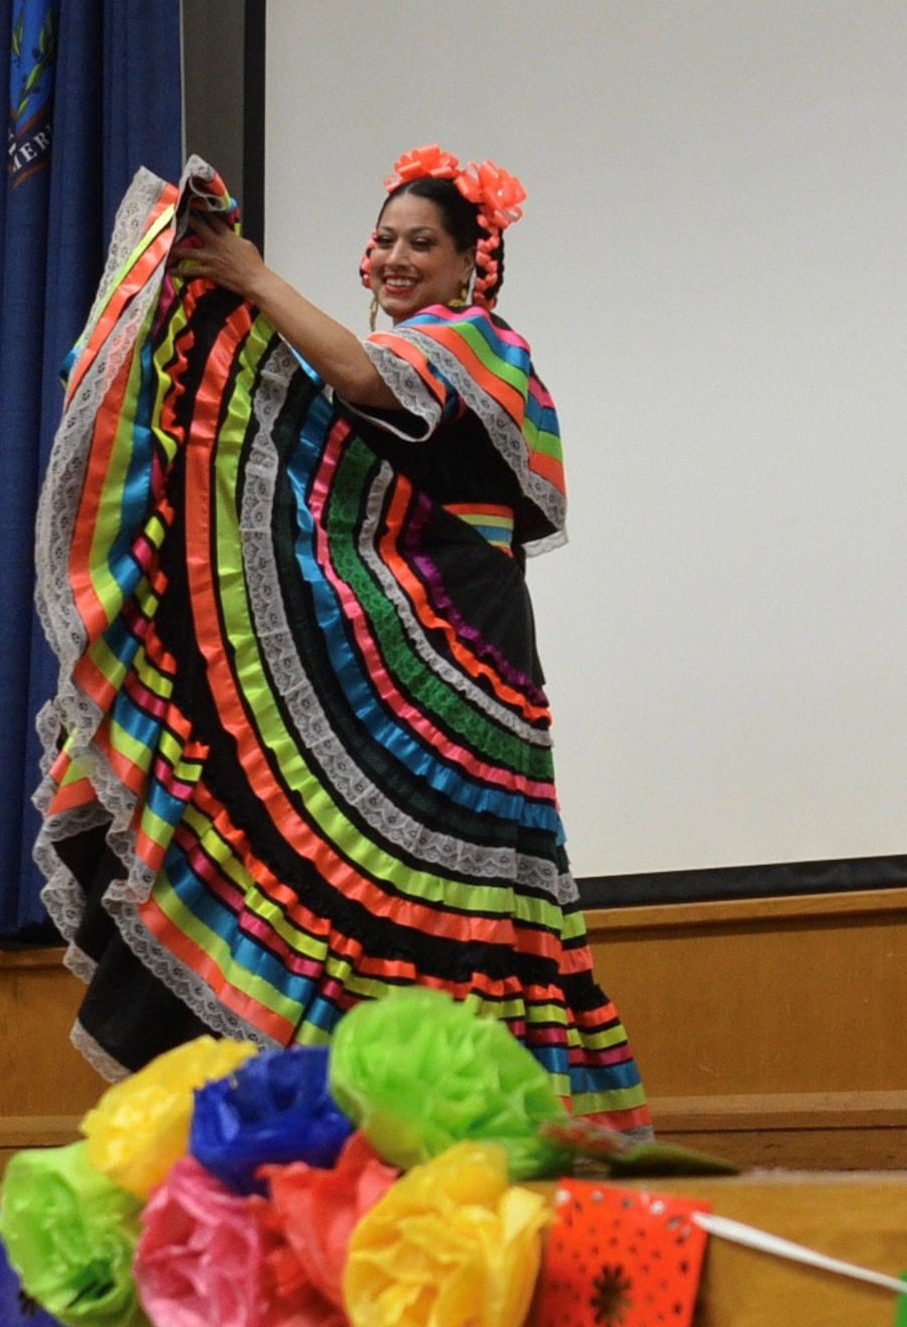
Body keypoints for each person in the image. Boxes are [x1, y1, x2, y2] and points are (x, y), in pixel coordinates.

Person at [34, 146, 649, 1135]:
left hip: (467, 656)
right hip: (417, 644)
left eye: (423, 243)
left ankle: (468, 1123)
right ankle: (350, 1122)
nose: (396, 258)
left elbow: (359, 372)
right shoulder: (395, 355)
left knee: (445, 886)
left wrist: (247, 275)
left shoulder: (480, 342)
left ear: (470, 263)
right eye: (385, 240)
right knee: (359, 878)